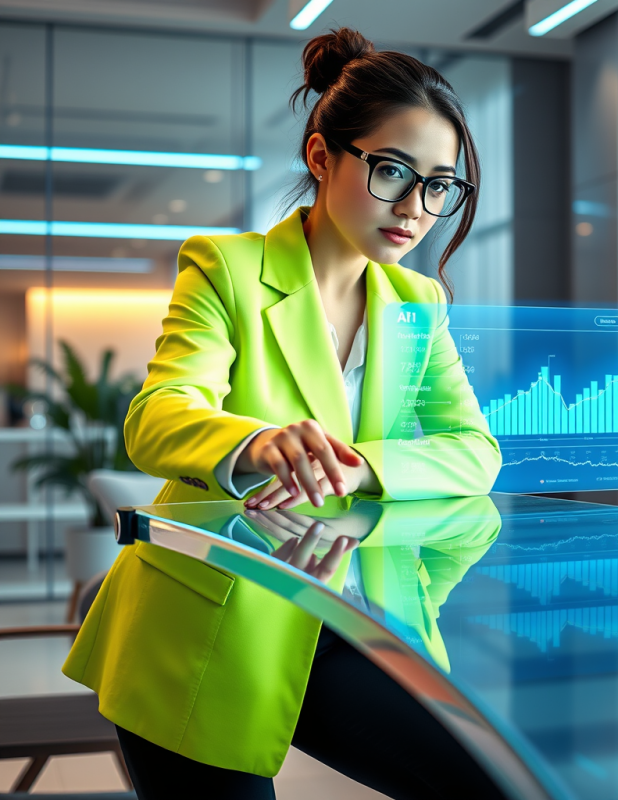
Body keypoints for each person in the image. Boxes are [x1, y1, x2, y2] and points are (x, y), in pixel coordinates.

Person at [62, 26, 503, 800]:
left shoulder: (417, 302)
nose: (417, 208)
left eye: (440, 184)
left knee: (489, 780)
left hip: (352, 619)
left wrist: (363, 463)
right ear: (322, 156)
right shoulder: (227, 266)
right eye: (393, 171)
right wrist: (260, 442)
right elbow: (158, 416)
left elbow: (476, 450)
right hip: (210, 628)